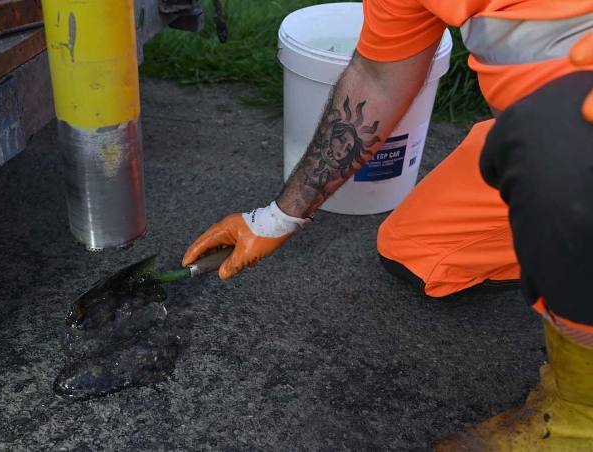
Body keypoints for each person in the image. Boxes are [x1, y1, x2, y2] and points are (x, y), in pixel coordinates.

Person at [182, 1, 593, 449]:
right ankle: (541, 185)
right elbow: (377, 79)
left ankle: (580, 416)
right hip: (543, 132)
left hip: (567, 139)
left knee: (564, 172)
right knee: (421, 252)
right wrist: (277, 218)